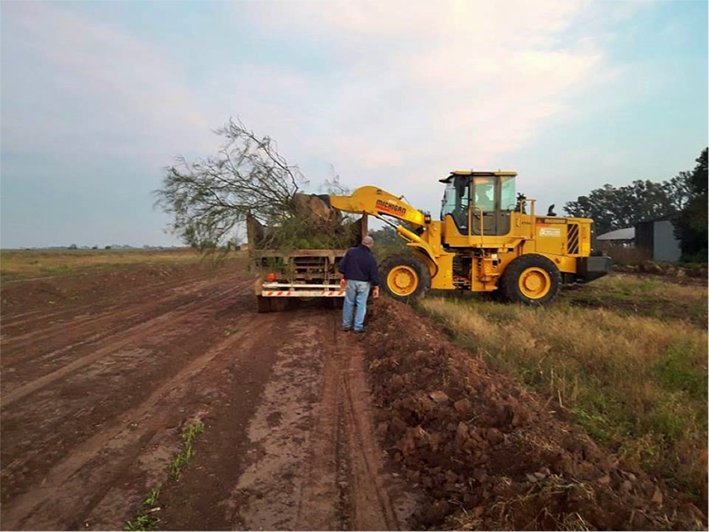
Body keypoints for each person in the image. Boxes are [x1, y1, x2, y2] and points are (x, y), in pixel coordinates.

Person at [338, 235, 380, 333]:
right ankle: (358, 327)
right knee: (361, 305)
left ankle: (346, 325)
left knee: (349, 303)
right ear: (371, 245)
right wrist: (376, 287)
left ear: (362, 242)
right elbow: (374, 273)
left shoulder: (351, 252)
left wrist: (343, 278)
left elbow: (342, 266)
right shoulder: (371, 257)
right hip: (364, 284)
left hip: (351, 281)